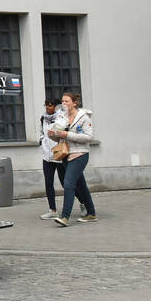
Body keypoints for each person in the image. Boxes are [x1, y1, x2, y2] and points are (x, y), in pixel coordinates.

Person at [49, 91, 97, 226]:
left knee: (68, 184)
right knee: (81, 185)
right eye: (62, 101)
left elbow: (89, 137)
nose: (63, 104)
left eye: (66, 101)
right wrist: (52, 134)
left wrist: (67, 134)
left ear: (74, 103)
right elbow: (58, 137)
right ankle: (92, 213)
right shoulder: (62, 117)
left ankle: (65, 217)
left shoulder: (84, 117)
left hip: (80, 154)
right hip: (65, 154)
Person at [39, 98, 67, 219]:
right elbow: (41, 132)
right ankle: (53, 210)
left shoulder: (61, 117)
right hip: (47, 156)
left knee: (66, 183)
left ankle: (83, 203)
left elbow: (65, 133)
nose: (47, 107)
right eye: (46, 105)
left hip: (59, 154)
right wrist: (41, 140)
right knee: (48, 183)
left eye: (50, 105)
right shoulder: (43, 118)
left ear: (55, 106)